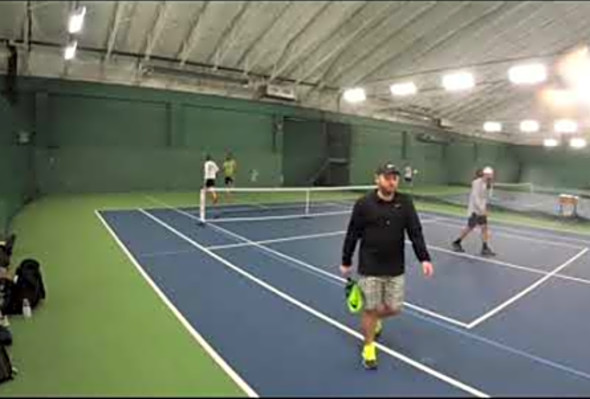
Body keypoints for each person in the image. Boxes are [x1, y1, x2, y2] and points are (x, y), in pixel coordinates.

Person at [340, 162, 434, 370]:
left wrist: (424, 258)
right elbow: (352, 233)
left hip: (395, 266)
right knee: (371, 308)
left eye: (394, 177)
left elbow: (415, 231)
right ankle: (369, 347)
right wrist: (346, 260)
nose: (392, 181)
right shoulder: (364, 204)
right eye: (387, 177)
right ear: (377, 179)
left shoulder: (405, 202)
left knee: (394, 308)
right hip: (369, 265)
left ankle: (374, 321)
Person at [451, 166, 496, 257]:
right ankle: (457, 242)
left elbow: (487, 197)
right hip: (475, 210)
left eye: (491, 175)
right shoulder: (476, 183)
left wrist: (489, 187)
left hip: (482, 210)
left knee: (484, 228)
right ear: (485, 174)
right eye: (490, 175)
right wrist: (481, 210)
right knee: (470, 227)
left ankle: (485, 248)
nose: (491, 177)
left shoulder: (487, 184)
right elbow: (475, 198)